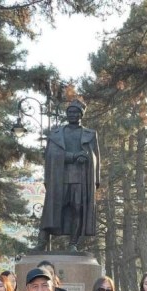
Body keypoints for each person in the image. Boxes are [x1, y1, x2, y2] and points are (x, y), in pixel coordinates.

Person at [35, 99, 100, 251]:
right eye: (69, 112)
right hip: (59, 178)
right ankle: (41, 242)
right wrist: (73, 156)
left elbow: (96, 157)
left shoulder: (90, 134)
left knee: (77, 209)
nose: (72, 115)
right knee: (51, 210)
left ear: (81, 115)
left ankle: (73, 244)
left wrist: (88, 160)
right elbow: (51, 155)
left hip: (81, 179)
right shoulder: (56, 134)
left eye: (75, 112)